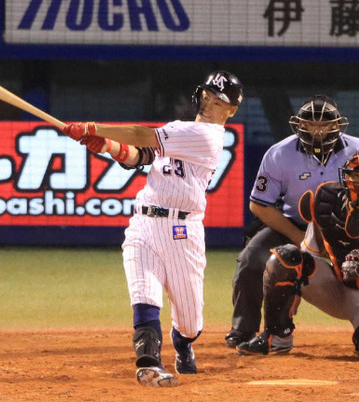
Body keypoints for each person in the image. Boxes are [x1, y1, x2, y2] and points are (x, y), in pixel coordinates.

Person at [63, 71, 243, 387]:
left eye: (218, 102)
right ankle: (149, 364)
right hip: (144, 223)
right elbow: (140, 156)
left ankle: (183, 341)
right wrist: (105, 145)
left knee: (190, 322)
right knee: (144, 294)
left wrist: (92, 128)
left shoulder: (208, 137)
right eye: (207, 97)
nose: (208, 105)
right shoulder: (179, 129)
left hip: (183, 232)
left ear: (231, 111)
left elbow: (141, 135)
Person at [225, 95, 359, 348]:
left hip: (346, 229)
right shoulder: (279, 153)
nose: (318, 130)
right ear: (299, 125)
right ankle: (244, 331)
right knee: (250, 259)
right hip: (293, 226)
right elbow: (259, 204)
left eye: (325, 125)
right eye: (311, 124)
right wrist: (299, 238)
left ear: (337, 125)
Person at [237, 148, 359, 360]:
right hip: (337, 288)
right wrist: (292, 293)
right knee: (284, 258)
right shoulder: (326, 203)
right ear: (346, 177)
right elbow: (307, 254)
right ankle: (277, 336)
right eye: (358, 176)